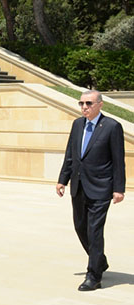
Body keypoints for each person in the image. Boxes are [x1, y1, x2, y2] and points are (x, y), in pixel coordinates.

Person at [56, 89, 126, 291]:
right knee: (80, 227)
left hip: (101, 187)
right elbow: (70, 154)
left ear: (100, 105)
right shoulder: (77, 125)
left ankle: (94, 276)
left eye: (88, 103)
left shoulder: (112, 127)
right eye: (81, 103)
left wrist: (118, 189)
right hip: (78, 185)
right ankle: (99, 260)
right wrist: (62, 180)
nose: (84, 107)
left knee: (94, 231)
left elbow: (118, 160)